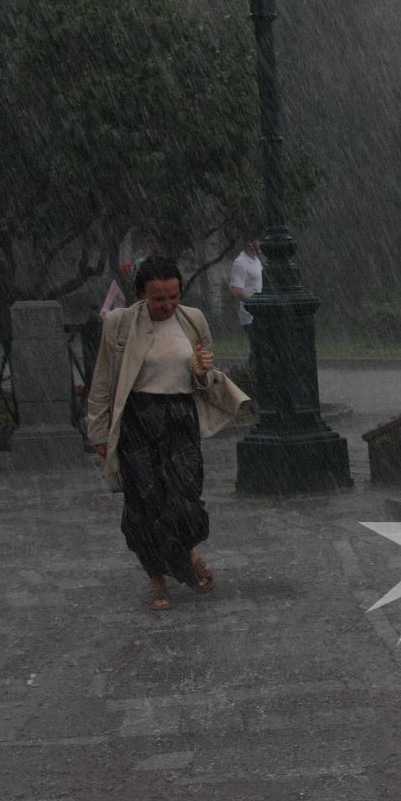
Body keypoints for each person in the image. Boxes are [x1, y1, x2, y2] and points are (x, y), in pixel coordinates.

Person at [84, 256, 251, 612]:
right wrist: (98, 430)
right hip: (138, 420)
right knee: (146, 503)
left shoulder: (193, 320)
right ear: (142, 295)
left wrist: (202, 372)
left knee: (185, 497)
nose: (167, 305)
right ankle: (157, 576)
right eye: (159, 298)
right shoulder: (120, 324)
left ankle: (187, 552)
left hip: (180, 418)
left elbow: (202, 378)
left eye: (173, 296)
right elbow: (102, 382)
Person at [227, 236, 262, 346]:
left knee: (261, 347)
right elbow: (235, 290)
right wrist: (253, 302)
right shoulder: (240, 262)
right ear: (250, 243)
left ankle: (254, 363)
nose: (261, 243)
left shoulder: (256, 260)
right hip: (249, 316)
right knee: (258, 346)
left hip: (260, 314)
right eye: (258, 240)